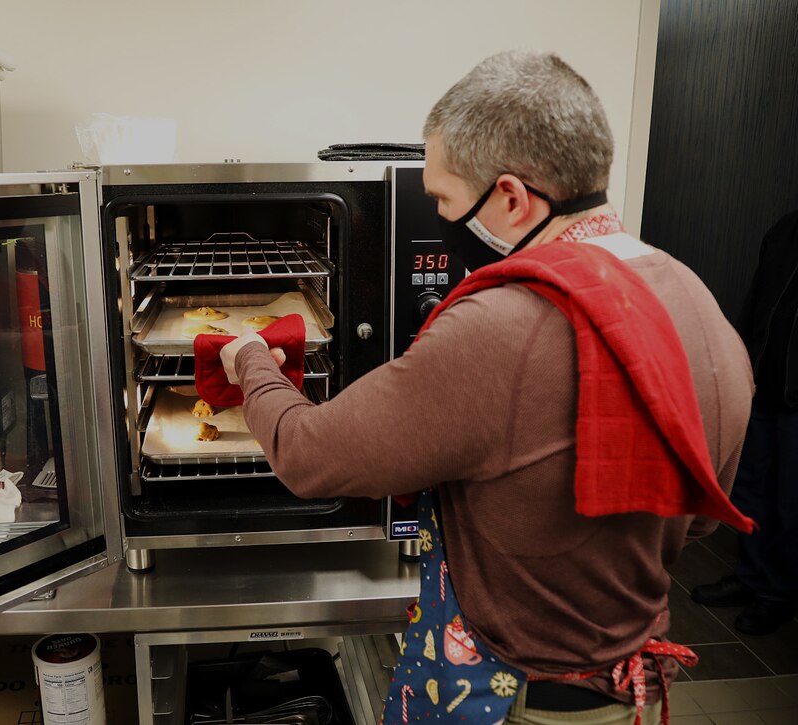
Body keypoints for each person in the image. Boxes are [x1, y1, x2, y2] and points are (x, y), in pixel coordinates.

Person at [217, 50, 754, 725]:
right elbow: (701, 513)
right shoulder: (697, 303)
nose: (438, 217)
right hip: (625, 696)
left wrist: (251, 361)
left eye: (441, 198)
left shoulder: (499, 328)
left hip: (506, 698)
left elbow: (307, 452)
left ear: (509, 196)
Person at [691, 210, 798, 635]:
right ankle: (749, 577)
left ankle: (778, 594)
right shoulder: (785, 230)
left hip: (796, 403)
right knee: (749, 490)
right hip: (762, 388)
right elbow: (756, 303)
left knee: (790, 504)